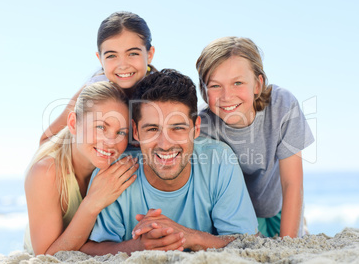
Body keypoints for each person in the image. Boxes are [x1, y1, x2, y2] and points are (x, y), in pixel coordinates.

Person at [80, 69, 258, 256]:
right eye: (152, 129)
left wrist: (189, 236)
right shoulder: (115, 173)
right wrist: (136, 247)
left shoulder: (220, 161)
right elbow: (89, 248)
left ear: (196, 128)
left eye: (178, 128)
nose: (165, 144)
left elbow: (246, 241)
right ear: (136, 131)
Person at [196, 36, 315, 238]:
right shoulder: (203, 126)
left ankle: (301, 226)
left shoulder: (282, 106)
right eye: (215, 86)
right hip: (238, 213)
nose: (226, 96)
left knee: (293, 235)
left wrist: (290, 244)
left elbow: (292, 183)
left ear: (258, 85)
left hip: (278, 204)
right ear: (204, 91)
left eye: (238, 83)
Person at [24, 81, 138, 255]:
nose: (110, 142)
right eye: (101, 127)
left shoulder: (119, 165)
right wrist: (93, 203)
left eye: (121, 132)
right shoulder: (46, 173)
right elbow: (46, 257)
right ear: (73, 123)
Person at [40, 11, 156, 144]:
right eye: (111, 56)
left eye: (133, 53)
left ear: (149, 54)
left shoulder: (163, 92)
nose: (123, 65)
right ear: (100, 59)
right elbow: (47, 140)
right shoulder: (94, 89)